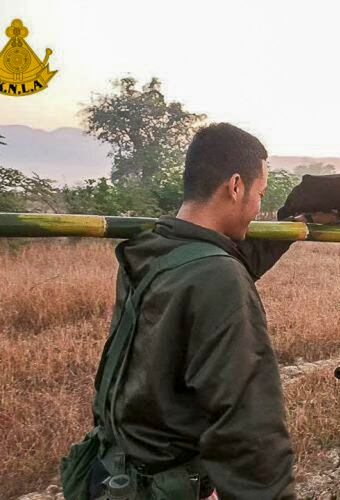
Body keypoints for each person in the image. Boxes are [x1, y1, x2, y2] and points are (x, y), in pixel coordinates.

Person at [83, 123, 296, 499]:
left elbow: (215, 258)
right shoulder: (217, 276)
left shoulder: (154, 247)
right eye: (260, 194)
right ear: (235, 186)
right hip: (164, 486)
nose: (259, 209)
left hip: (114, 472)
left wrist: (297, 223)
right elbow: (248, 431)